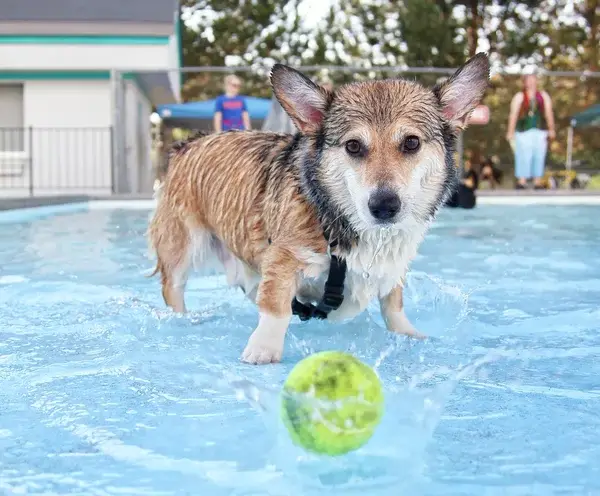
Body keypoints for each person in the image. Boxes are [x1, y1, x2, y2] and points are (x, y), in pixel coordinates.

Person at [506, 72, 556, 189]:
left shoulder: (543, 96)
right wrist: (510, 131)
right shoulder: (520, 96)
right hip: (523, 131)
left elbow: (549, 113)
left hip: (539, 131)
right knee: (522, 155)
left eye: (533, 79)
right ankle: (522, 181)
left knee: (538, 156)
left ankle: (537, 181)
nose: (531, 82)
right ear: (525, 82)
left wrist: (551, 128)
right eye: (529, 79)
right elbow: (513, 114)